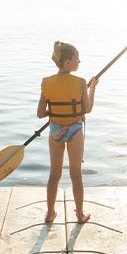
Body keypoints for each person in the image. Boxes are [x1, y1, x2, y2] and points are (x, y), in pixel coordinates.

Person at [38, 41, 98, 224]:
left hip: (55, 131)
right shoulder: (80, 82)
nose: (79, 62)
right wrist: (92, 89)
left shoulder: (46, 82)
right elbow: (87, 109)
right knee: (76, 175)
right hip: (74, 131)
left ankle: (49, 214)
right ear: (66, 63)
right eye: (76, 59)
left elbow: (40, 113)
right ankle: (79, 215)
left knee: (54, 173)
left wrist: (55, 111)